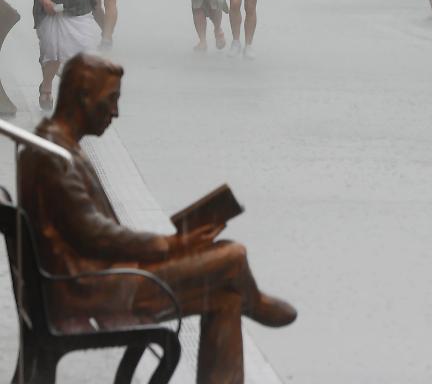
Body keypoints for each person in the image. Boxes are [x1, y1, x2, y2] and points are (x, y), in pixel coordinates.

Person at [19, 53, 297, 384]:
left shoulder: (54, 146)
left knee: (226, 298)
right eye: (111, 100)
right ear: (82, 98)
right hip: (92, 290)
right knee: (232, 257)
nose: (115, 112)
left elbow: (95, 233)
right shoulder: (54, 157)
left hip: (88, 282)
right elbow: (94, 235)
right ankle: (256, 301)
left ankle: (246, 300)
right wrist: (168, 245)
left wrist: (173, 246)